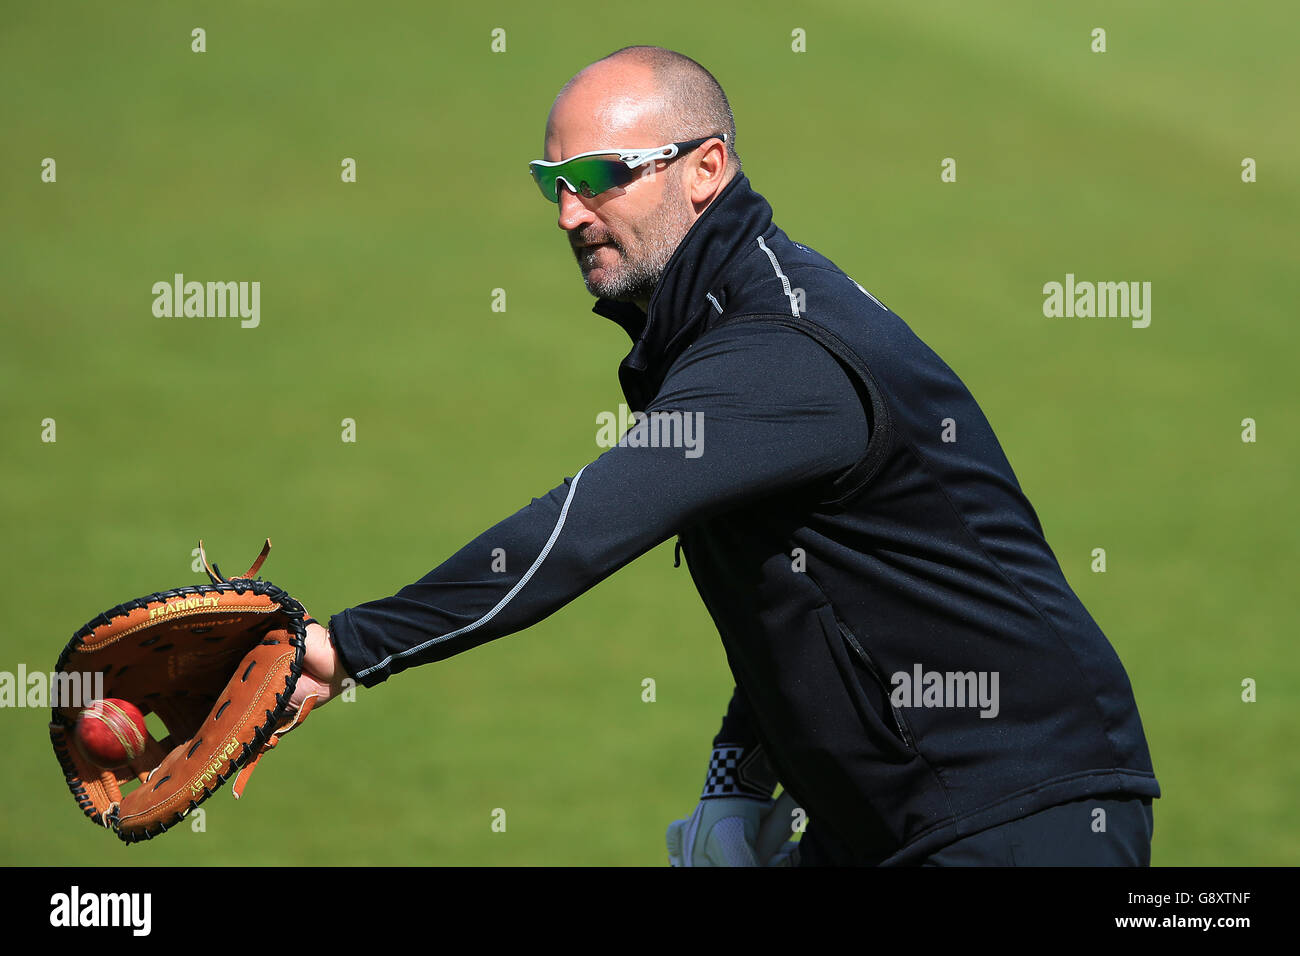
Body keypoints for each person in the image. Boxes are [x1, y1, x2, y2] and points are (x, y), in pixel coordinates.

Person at [290, 45, 1160, 866]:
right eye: (551, 182)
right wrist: (736, 777)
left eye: (599, 178)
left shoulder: (774, 349)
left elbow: (582, 527)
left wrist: (351, 649)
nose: (569, 213)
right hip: (897, 814)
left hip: (1018, 809)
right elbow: (820, 594)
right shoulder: (717, 323)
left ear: (704, 170)